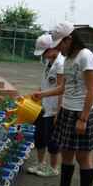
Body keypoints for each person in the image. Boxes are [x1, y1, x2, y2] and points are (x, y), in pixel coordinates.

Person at [33, 22, 93, 186]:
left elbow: (92, 90)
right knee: (67, 156)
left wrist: (83, 119)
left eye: (59, 44)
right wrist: (42, 94)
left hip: (82, 113)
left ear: (69, 39)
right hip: (66, 112)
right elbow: (63, 88)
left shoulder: (86, 56)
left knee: (83, 158)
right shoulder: (68, 60)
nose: (58, 49)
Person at [27, 34, 64, 177]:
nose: (43, 55)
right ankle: (40, 163)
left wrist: (58, 112)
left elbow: (62, 89)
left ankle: (53, 168)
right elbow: (45, 84)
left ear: (53, 48)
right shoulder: (49, 62)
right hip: (43, 107)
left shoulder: (61, 64)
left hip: (53, 109)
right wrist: (37, 94)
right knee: (40, 136)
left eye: (45, 52)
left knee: (52, 140)